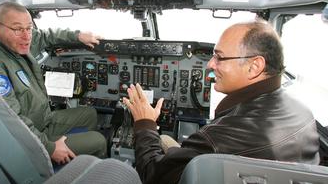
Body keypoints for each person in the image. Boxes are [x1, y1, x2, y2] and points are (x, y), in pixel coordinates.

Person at [123, 20, 320, 184]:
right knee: (165, 140)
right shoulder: (302, 110)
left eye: (220, 57)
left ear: (254, 66)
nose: (210, 64)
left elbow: (153, 175)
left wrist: (145, 123)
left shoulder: (218, 139)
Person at [0, 2, 107, 165]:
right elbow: (10, 120)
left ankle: (77, 161)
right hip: (25, 142)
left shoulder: (13, 43)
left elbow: (44, 36)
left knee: (89, 114)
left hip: (43, 121)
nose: (26, 36)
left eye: (29, 28)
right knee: (99, 140)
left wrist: (78, 36)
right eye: (17, 29)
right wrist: (50, 148)